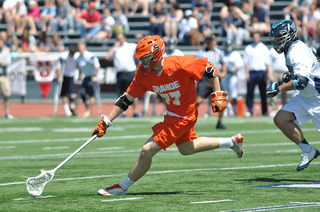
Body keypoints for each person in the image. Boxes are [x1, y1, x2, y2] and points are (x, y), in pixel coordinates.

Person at [92, 35, 244, 196]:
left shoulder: (178, 64)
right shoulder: (143, 74)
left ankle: (123, 186)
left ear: (156, 55)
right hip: (172, 114)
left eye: (145, 58)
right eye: (140, 58)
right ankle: (231, 142)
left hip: (184, 116)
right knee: (186, 148)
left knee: (146, 150)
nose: (141, 62)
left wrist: (218, 93)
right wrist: (106, 121)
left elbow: (210, 68)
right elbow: (126, 99)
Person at [266, 19, 319, 171]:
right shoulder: (293, 48)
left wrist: (279, 88)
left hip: (317, 99)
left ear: (289, 35)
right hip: (306, 97)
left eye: (279, 36)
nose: (276, 40)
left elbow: (301, 81)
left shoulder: (296, 51)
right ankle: (308, 151)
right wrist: (289, 77)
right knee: (281, 119)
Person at [196, 35, 227, 129]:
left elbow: (223, 63)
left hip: (216, 78)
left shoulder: (219, 52)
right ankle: (189, 120)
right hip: (204, 79)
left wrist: (224, 72)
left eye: (210, 41)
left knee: (221, 101)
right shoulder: (201, 53)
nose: (208, 43)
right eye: (207, 41)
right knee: (198, 101)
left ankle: (219, 122)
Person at [106, 33, 140, 117]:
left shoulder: (130, 46)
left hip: (130, 73)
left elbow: (140, 48)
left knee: (133, 93)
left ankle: (135, 111)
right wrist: (114, 47)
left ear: (124, 38)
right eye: (118, 38)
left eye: (121, 38)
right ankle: (122, 112)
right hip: (120, 74)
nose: (120, 40)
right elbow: (107, 57)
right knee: (121, 94)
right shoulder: (116, 49)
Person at [243, 32, 272, 117]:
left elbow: (268, 63)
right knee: (250, 92)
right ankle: (249, 110)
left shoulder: (264, 48)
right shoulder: (248, 48)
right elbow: (246, 62)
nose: (256, 38)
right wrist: (246, 73)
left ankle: (264, 111)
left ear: (260, 38)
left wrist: (269, 73)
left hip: (261, 72)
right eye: (254, 37)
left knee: (263, 93)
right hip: (252, 72)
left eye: (257, 37)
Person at [75, 42, 100, 118]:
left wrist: (95, 76)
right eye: (80, 48)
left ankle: (88, 111)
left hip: (92, 77)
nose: (81, 50)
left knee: (91, 95)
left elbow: (97, 66)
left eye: (82, 48)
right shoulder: (78, 57)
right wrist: (80, 76)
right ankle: (88, 110)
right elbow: (80, 68)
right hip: (85, 77)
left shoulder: (90, 56)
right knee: (82, 93)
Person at [221, 38, 243, 116]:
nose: (228, 47)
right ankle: (226, 110)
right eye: (227, 45)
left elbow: (239, 64)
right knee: (224, 94)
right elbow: (220, 64)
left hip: (233, 76)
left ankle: (233, 110)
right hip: (225, 76)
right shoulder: (222, 54)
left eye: (229, 45)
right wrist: (224, 69)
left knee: (233, 95)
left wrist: (233, 69)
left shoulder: (235, 54)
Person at [56, 45, 78, 116]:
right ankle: (67, 110)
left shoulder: (77, 56)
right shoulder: (64, 56)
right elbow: (58, 66)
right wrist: (59, 76)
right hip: (64, 76)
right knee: (64, 94)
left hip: (72, 76)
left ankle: (72, 108)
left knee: (73, 94)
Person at [268, 46, 288, 117]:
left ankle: (285, 109)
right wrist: (270, 74)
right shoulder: (272, 50)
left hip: (285, 73)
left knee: (285, 91)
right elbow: (269, 63)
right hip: (275, 72)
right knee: (273, 91)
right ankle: (273, 109)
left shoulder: (286, 48)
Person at [0, 38, 13, 119]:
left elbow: (7, 62)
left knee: (6, 95)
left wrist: (2, 62)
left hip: (3, 76)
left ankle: (7, 113)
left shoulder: (6, 52)